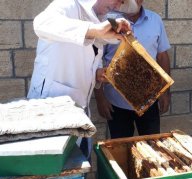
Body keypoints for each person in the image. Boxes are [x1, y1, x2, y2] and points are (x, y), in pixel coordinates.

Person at [27, 0, 131, 158]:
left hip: (79, 114)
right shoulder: (68, 4)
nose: (118, 6)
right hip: (50, 113)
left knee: (77, 167)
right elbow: (41, 23)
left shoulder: (98, 18)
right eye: (118, 0)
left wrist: (97, 74)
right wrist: (94, 30)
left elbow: (84, 59)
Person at [95, 0, 171, 139]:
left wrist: (165, 92)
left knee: (152, 146)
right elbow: (96, 61)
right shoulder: (108, 21)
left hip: (149, 99)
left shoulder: (155, 20)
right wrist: (100, 99)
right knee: (120, 149)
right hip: (116, 103)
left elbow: (162, 56)